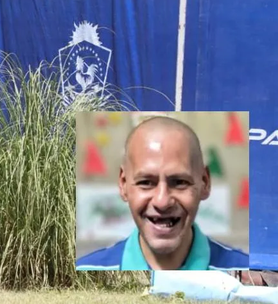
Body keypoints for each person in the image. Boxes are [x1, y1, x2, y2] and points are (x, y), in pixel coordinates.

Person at [76, 116, 249, 271]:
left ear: (204, 182)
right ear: (123, 185)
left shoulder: (249, 278)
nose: (162, 201)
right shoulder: (85, 274)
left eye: (179, 182)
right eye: (146, 183)